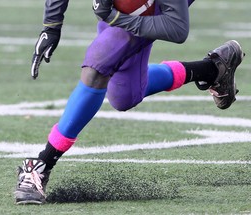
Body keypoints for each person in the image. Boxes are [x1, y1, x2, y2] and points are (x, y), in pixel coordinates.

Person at [14, 0, 244, 204]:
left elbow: (176, 28)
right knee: (125, 95)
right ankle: (213, 69)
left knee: (96, 70)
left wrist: (117, 18)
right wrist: (52, 26)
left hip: (149, 9)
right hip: (125, 7)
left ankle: (41, 165)